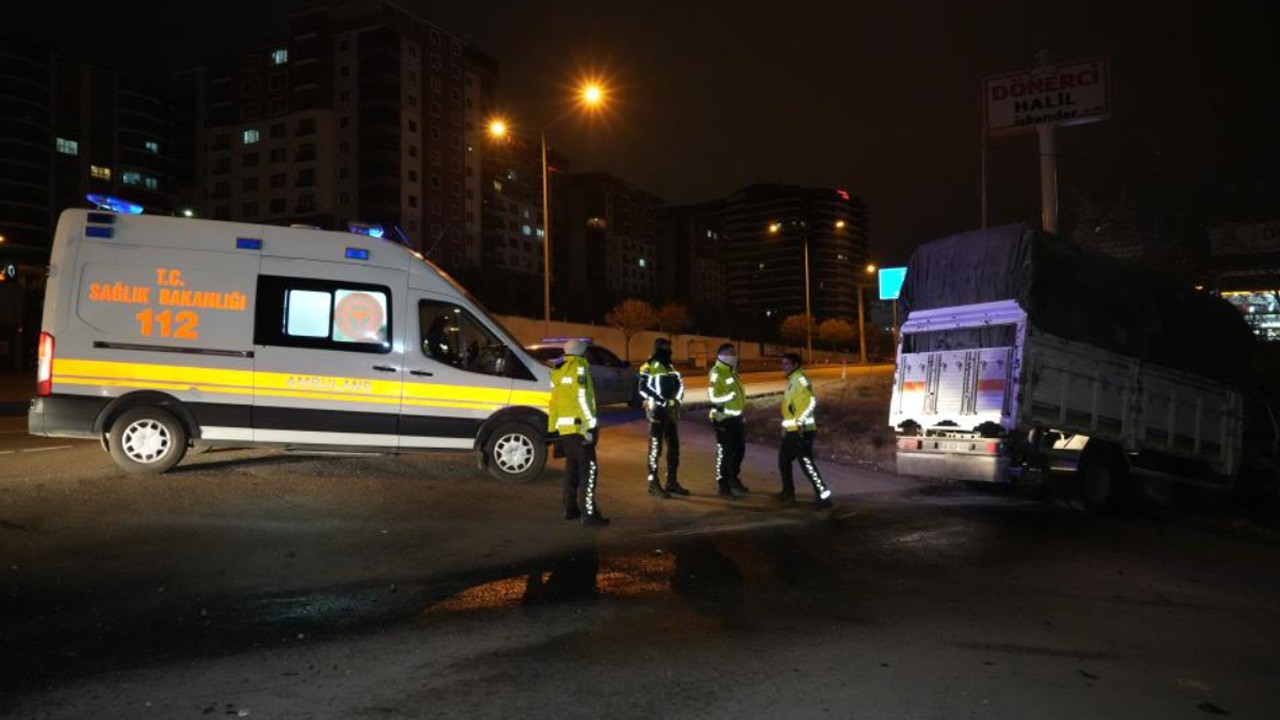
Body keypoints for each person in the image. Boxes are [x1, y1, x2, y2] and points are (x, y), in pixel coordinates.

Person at [548, 339, 608, 526]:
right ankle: (588, 514)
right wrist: (590, 425)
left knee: (571, 471)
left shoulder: (559, 371)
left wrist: (554, 428)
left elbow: (554, 402)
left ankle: (570, 508)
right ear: (582, 352)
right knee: (588, 472)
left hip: (566, 431)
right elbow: (582, 398)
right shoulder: (579, 369)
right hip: (581, 429)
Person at [775, 352, 833, 509]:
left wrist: (800, 422)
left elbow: (812, 401)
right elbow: (791, 408)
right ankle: (788, 493)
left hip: (802, 430)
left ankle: (824, 497)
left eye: (787, 364)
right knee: (784, 460)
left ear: (795, 365)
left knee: (806, 463)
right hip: (792, 430)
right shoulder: (792, 381)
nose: (783, 367)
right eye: (783, 364)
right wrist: (785, 427)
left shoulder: (800, 380)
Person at [638, 337, 688, 498]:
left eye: (669, 347)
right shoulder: (648, 366)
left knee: (674, 448)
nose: (668, 350)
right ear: (657, 348)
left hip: (671, 412)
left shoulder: (670, 366)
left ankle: (671, 482)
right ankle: (653, 483)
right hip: (657, 412)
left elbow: (680, 384)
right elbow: (642, 388)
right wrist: (661, 401)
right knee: (655, 449)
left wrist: (677, 399)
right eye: (665, 347)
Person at [707, 343, 749, 498]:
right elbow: (713, 397)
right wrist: (729, 397)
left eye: (734, 353)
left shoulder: (732, 372)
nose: (734, 356)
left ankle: (733, 478)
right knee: (725, 452)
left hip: (736, 417)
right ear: (721, 355)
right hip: (723, 419)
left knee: (739, 450)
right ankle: (723, 484)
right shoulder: (717, 372)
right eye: (730, 353)